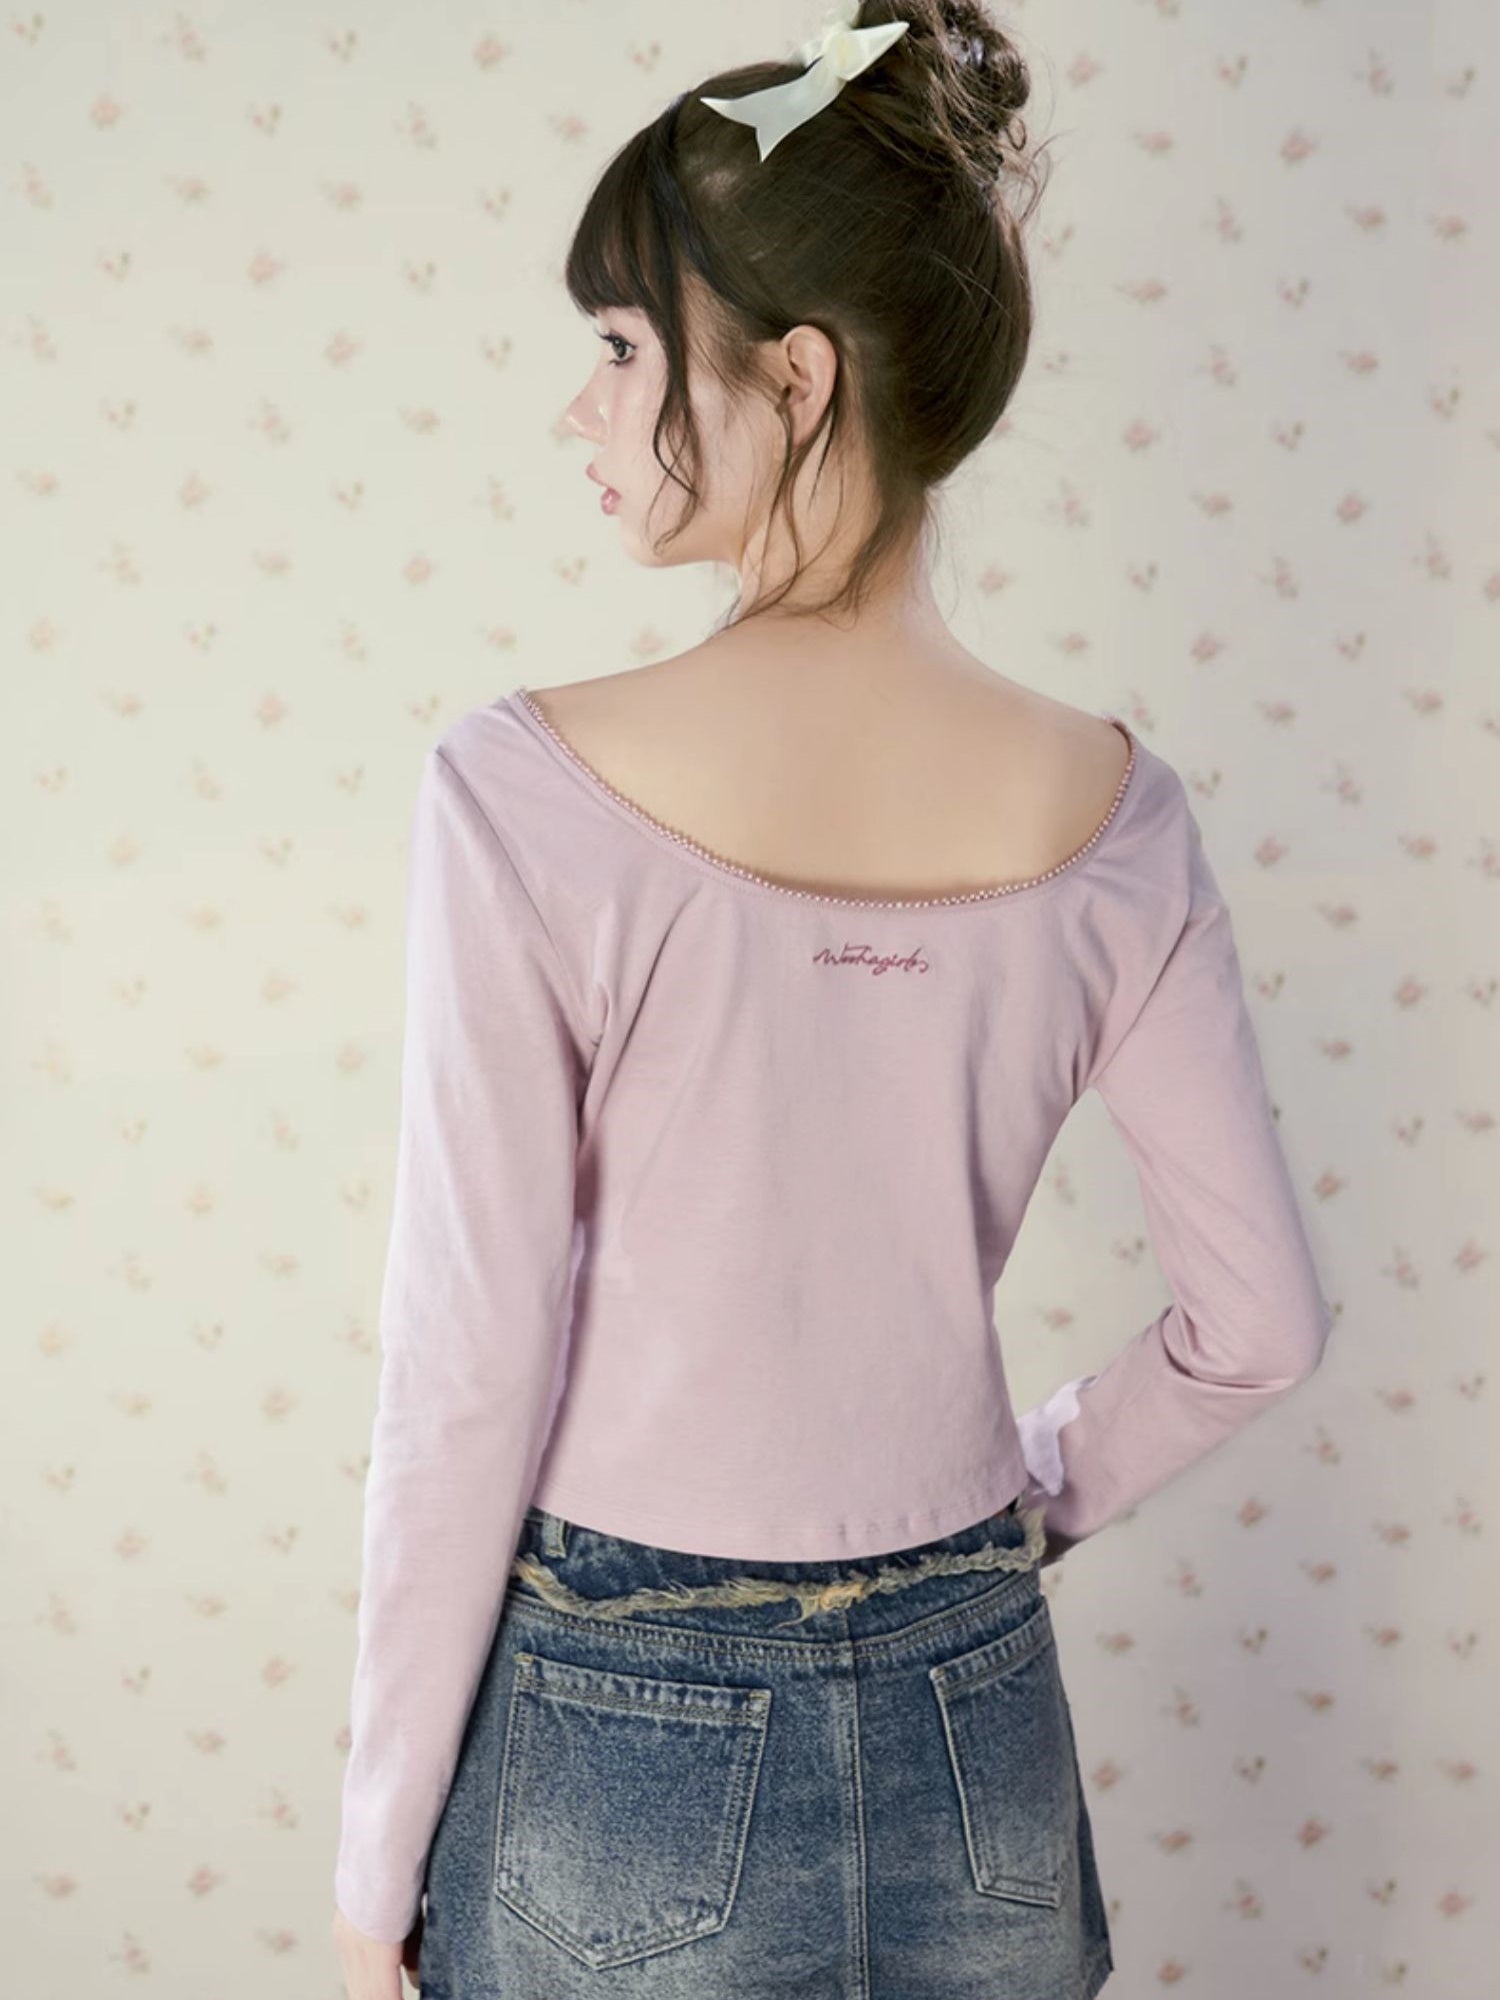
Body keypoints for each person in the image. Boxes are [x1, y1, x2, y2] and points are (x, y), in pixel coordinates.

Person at [332, 3, 1335, 1995]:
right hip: (980, 1700)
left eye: (625, 349)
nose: (583, 412)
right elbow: (1264, 1327)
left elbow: (466, 1378)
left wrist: (375, 1884)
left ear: (794, 379)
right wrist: (1027, 1497)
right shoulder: (1119, 817)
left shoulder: (523, 792)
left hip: (624, 1719)